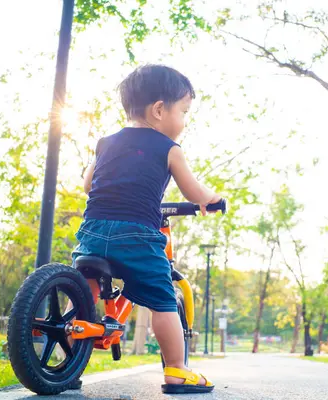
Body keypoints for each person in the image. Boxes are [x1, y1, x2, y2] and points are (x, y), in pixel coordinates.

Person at [72, 64, 221, 394]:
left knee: (87, 284)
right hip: (137, 234)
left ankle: (71, 329)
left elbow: (87, 185)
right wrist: (211, 199)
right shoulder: (169, 148)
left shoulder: (106, 143)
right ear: (158, 110)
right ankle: (177, 371)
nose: (184, 121)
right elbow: (192, 191)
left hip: (92, 230)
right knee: (162, 298)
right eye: (183, 112)